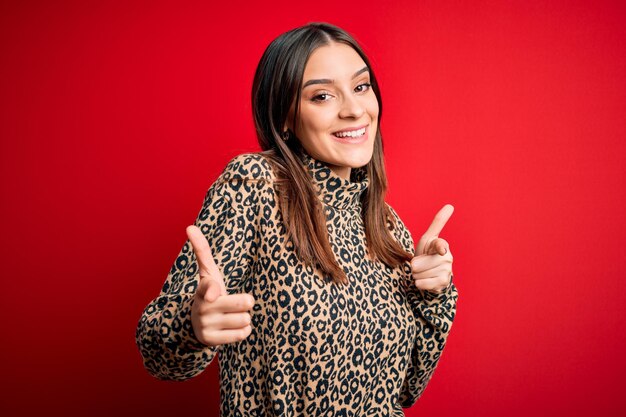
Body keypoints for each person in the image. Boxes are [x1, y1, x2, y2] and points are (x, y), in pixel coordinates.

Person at [136, 22, 458, 416]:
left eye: (361, 87)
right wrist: (192, 325)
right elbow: (157, 354)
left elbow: (406, 390)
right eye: (322, 95)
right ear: (285, 116)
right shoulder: (255, 185)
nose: (354, 109)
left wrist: (433, 296)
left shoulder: (386, 226)